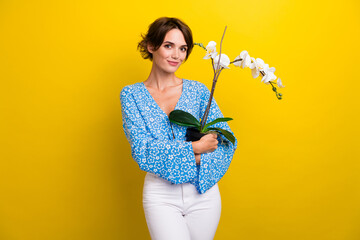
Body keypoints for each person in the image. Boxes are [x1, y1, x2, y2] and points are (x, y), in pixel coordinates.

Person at [120, 17, 237, 240]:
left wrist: (198, 155)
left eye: (183, 48)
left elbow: (224, 141)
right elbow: (143, 152)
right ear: (151, 46)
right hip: (160, 194)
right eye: (168, 46)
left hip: (203, 191)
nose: (177, 55)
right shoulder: (131, 95)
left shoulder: (199, 91)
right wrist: (196, 148)